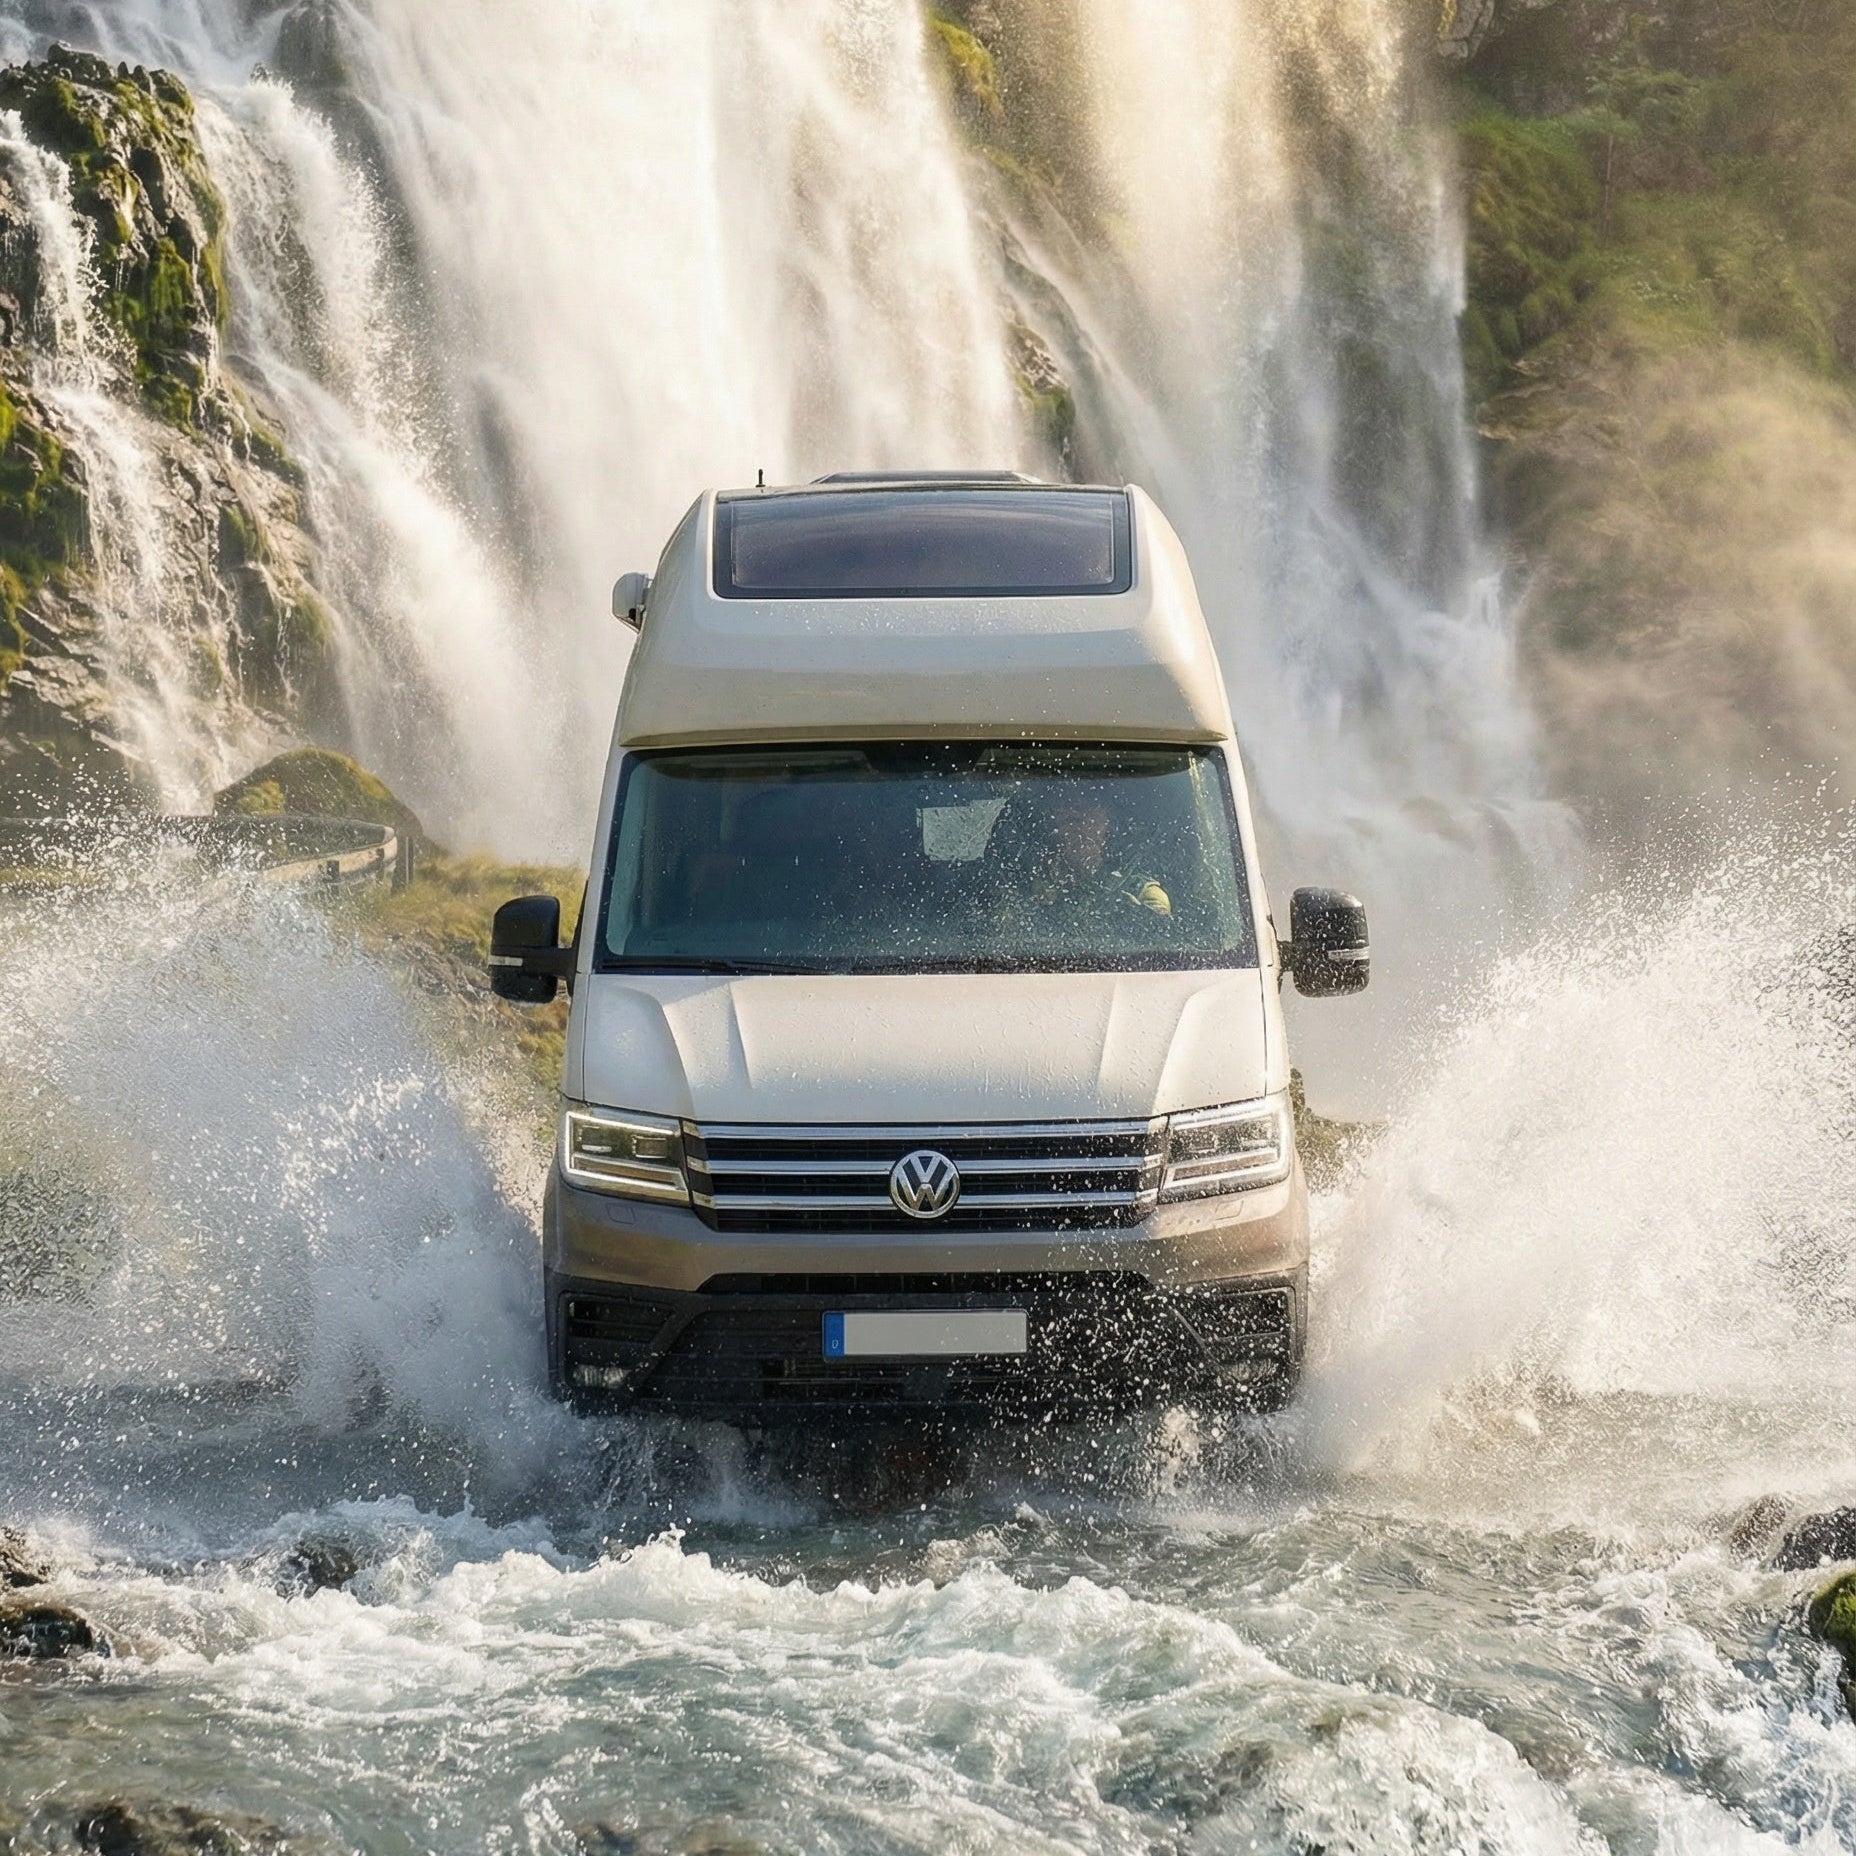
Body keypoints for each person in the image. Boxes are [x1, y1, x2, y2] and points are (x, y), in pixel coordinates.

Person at [1008, 784, 1172, 920]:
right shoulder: (1023, 878)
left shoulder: (1142, 893)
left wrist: (1127, 911)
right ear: (1052, 820)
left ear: (1110, 823)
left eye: (1088, 803)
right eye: (1064, 803)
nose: (1074, 809)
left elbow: (1156, 938)